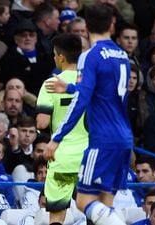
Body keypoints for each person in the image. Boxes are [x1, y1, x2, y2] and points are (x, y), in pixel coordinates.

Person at [44, 3, 133, 225]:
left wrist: (56, 138)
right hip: (124, 136)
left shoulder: (90, 56)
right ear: (112, 24)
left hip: (103, 139)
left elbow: (81, 102)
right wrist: (72, 88)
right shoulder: (122, 55)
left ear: (86, 25)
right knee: (105, 204)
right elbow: (105, 93)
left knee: (84, 202)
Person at [37, 33, 87, 225]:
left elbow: (42, 122)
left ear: (61, 57)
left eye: (54, 54)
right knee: (94, 209)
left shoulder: (51, 83)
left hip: (61, 156)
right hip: (89, 157)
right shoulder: (91, 84)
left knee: (57, 214)